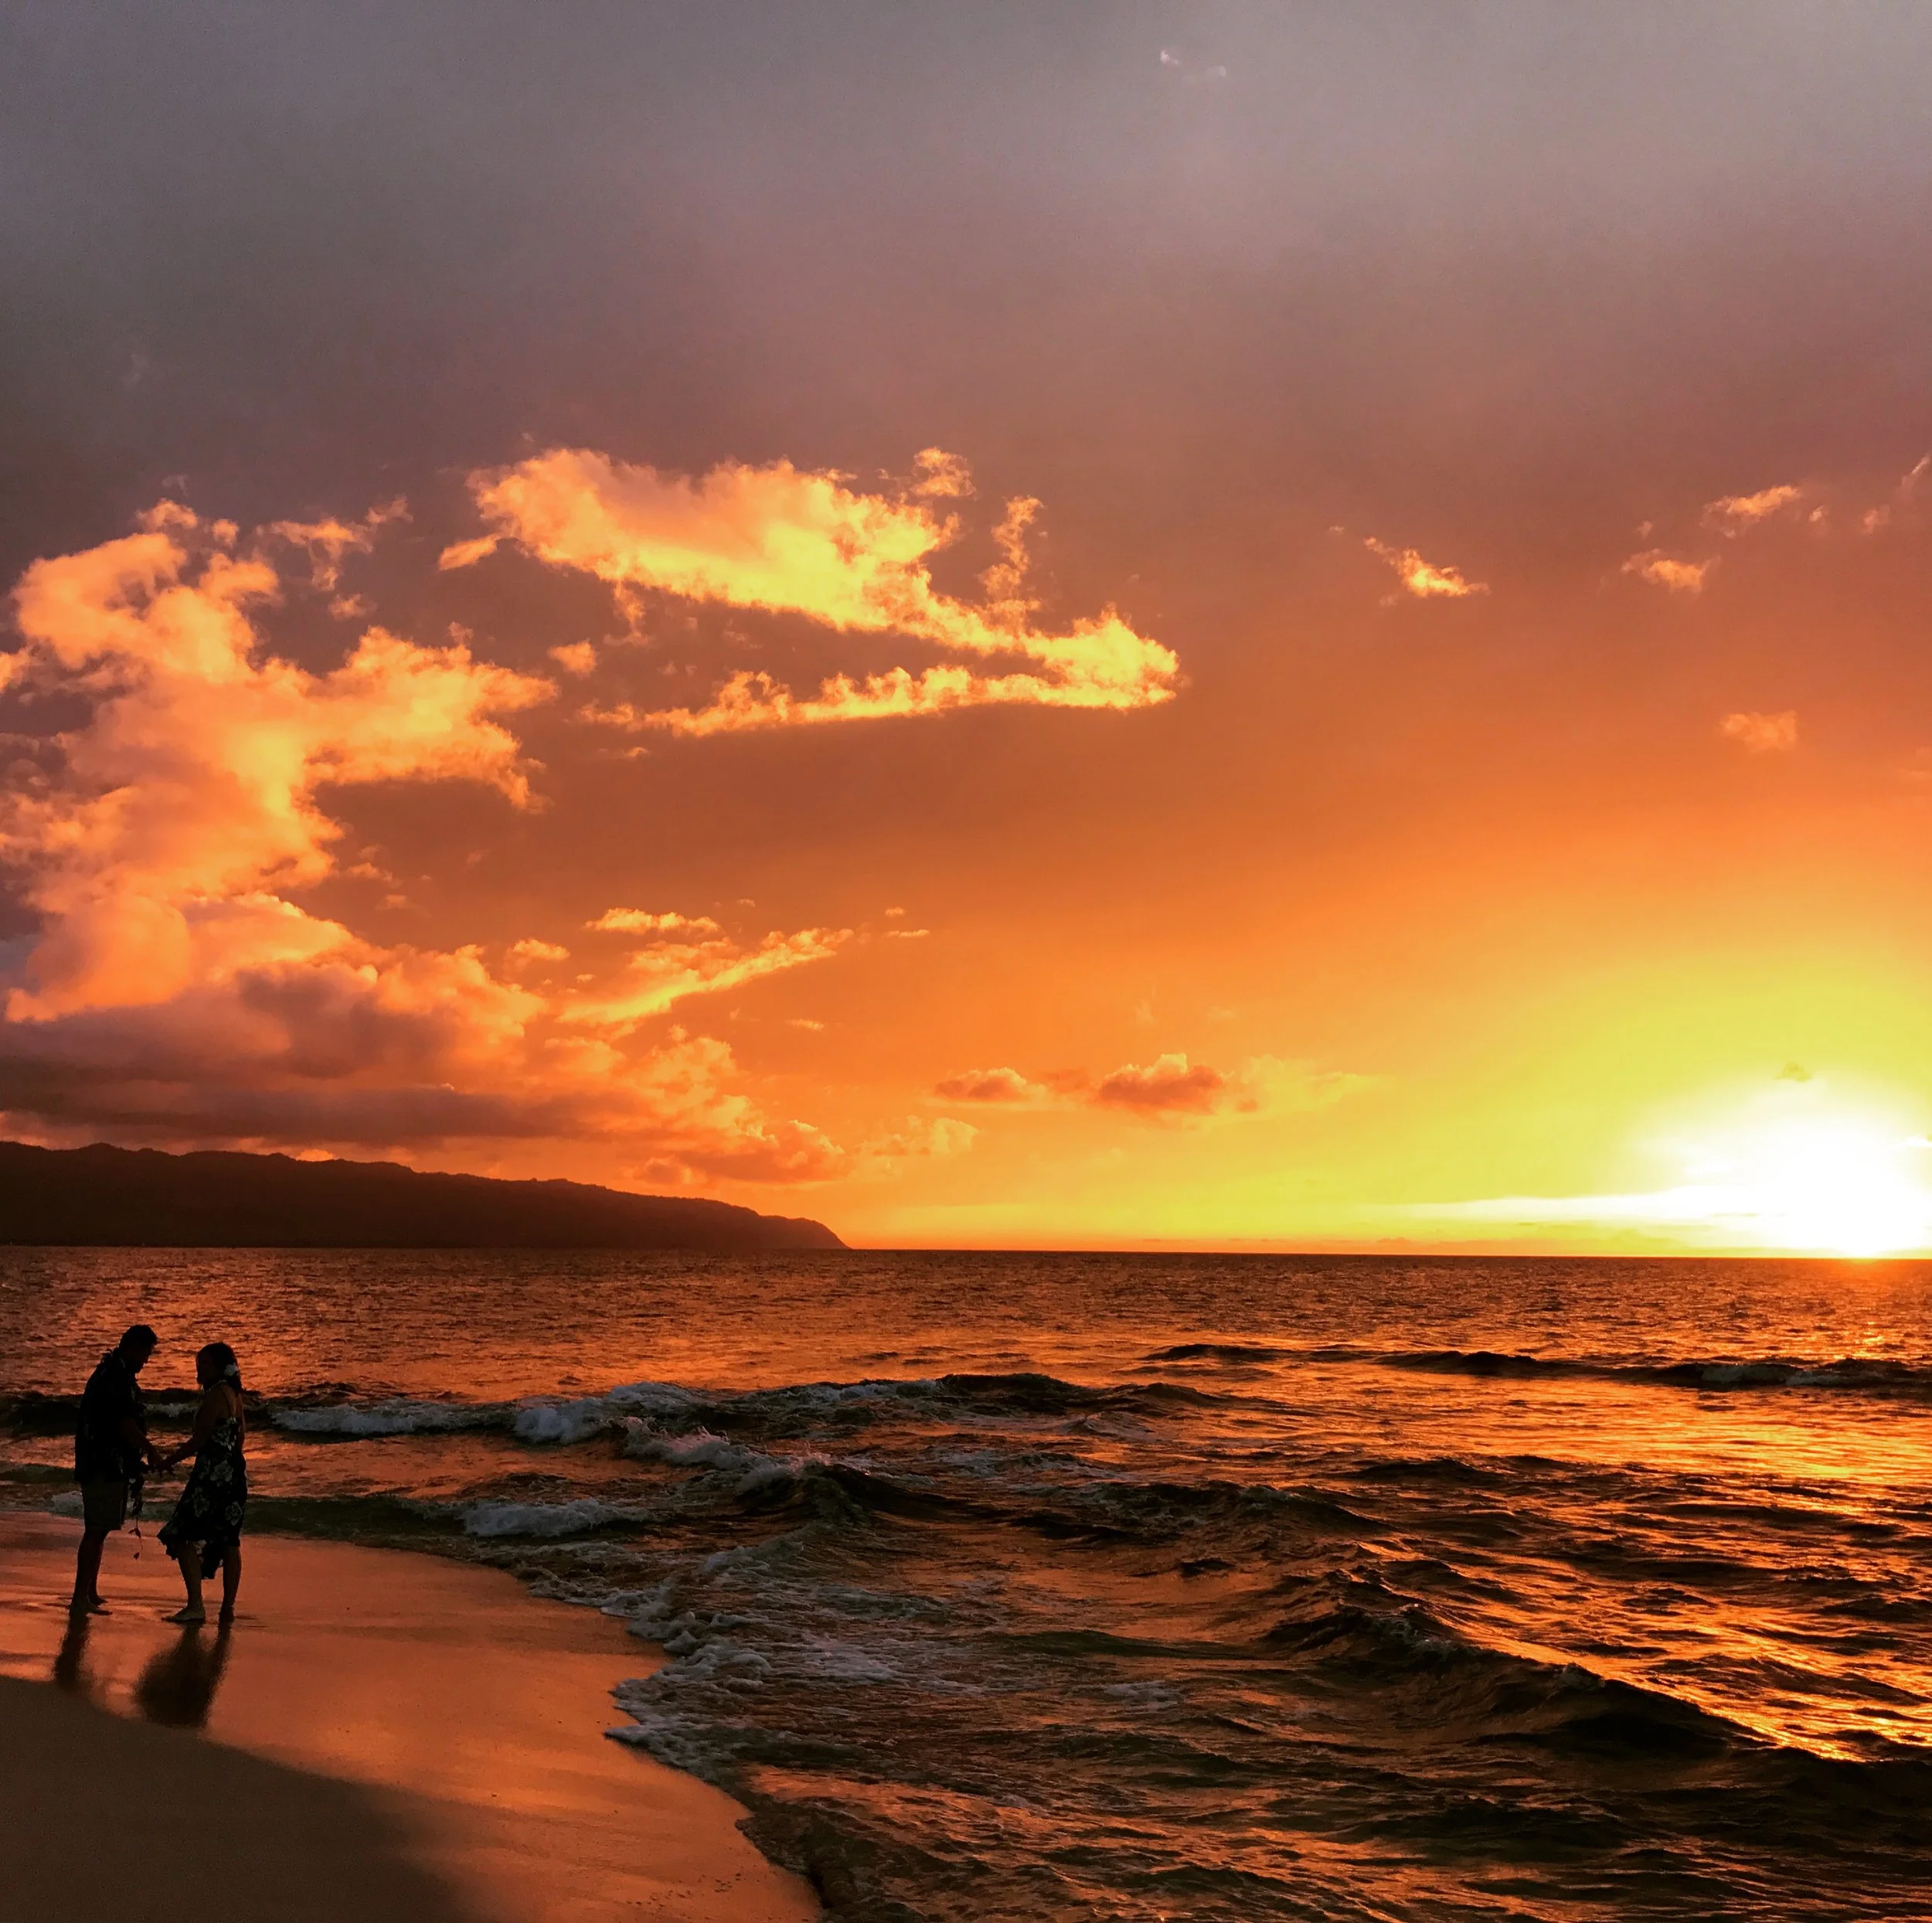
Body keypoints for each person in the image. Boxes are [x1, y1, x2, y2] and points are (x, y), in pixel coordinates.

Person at [70, 1323, 163, 1615]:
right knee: (95, 1529)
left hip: (107, 1463)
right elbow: (123, 1423)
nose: (146, 1361)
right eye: (146, 1354)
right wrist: (150, 1449)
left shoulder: (113, 1373)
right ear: (133, 1348)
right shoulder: (115, 1378)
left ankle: (90, 1591)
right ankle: (79, 1598)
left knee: (100, 1529)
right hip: (102, 1463)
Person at [156, 1341, 249, 1625]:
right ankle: (227, 1609)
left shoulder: (214, 1397)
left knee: (180, 1534)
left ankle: (195, 1604)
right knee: (228, 1541)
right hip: (234, 1474)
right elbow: (241, 1439)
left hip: (210, 1477)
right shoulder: (235, 1394)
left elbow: (198, 1441)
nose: (200, 1369)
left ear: (220, 1367)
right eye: (199, 1363)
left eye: (205, 1364)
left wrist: (166, 1461)